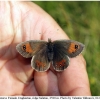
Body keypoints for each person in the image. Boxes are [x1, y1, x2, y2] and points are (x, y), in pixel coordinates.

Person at [0, 2, 91, 96]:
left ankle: (47, 64)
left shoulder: (39, 44)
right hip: (55, 55)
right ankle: (53, 64)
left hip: (44, 55)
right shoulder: (60, 43)